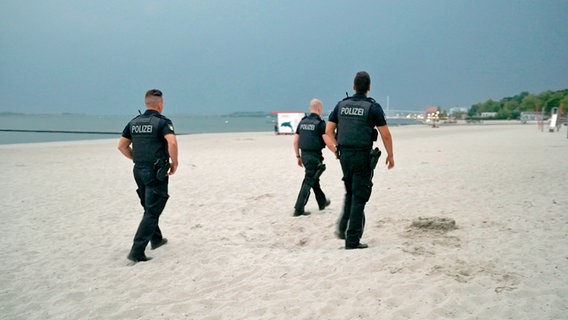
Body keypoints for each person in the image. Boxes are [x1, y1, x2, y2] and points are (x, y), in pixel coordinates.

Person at [324, 71, 394, 250]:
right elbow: (385, 133)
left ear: (354, 87)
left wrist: (336, 148)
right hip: (362, 155)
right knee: (360, 196)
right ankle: (352, 239)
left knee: (350, 191)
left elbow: (328, 130)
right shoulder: (372, 107)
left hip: (344, 156)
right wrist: (390, 155)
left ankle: (342, 228)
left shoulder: (341, 105)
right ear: (369, 88)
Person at [117, 89, 179, 262]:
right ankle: (137, 250)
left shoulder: (134, 122)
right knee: (152, 210)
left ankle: (156, 239)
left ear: (147, 103)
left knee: (148, 206)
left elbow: (121, 146)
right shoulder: (162, 122)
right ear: (160, 104)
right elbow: (172, 141)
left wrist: (135, 158)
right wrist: (175, 162)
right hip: (155, 171)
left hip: (138, 170)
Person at [292, 99, 331, 216]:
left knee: (314, 179)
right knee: (309, 180)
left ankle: (322, 202)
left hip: (304, 155)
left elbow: (295, 142)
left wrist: (298, 156)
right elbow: (328, 142)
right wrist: (336, 152)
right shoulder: (320, 123)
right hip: (314, 156)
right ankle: (299, 208)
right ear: (319, 109)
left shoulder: (302, 122)